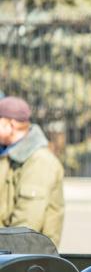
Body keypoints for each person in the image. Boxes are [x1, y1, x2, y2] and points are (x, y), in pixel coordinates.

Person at [0, 96, 64, 246]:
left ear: (10, 125)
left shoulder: (40, 162)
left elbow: (24, 227)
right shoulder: (8, 154)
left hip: (28, 254)